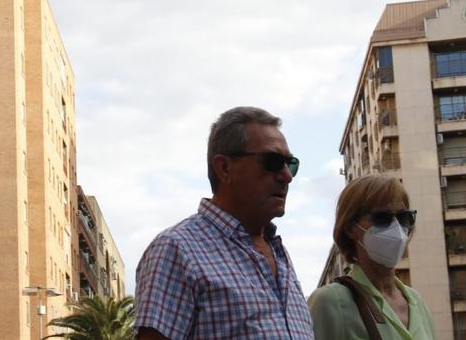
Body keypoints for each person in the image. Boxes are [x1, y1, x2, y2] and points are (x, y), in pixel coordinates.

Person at [134, 106, 315, 339]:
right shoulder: (176, 250)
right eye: (272, 161)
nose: (286, 176)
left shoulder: (279, 255)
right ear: (225, 168)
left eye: (290, 164)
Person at [308, 174, 437, 339]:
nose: (396, 228)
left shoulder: (417, 302)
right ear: (350, 228)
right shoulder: (330, 302)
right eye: (382, 218)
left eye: (404, 217)